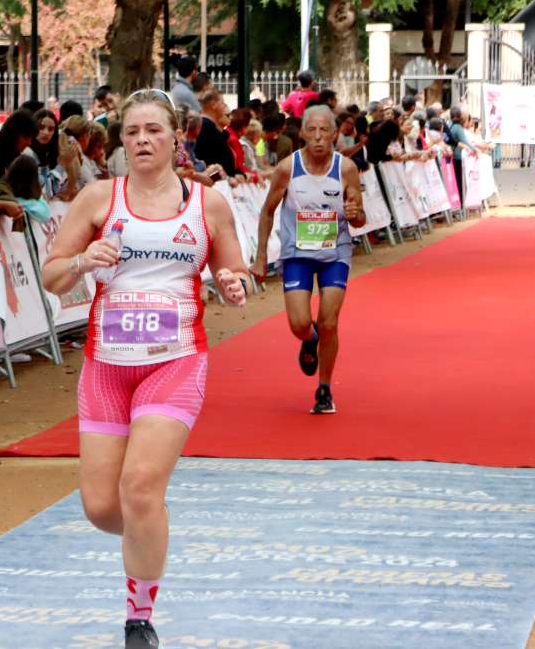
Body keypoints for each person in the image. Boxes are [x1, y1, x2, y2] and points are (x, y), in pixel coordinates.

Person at [40, 89, 250, 649]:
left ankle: (139, 618)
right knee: (102, 506)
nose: (141, 141)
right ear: (120, 141)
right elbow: (52, 274)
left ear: (175, 137)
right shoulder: (97, 199)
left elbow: (238, 277)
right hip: (107, 366)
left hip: (175, 361)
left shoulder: (206, 205)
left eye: (153, 130)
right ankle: (149, 521)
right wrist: (83, 261)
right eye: (132, 132)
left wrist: (233, 284)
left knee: (138, 485)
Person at [251, 105, 365, 415]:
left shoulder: (346, 169)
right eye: (311, 131)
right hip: (298, 253)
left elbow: (359, 217)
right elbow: (267, 211)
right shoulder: (288, 167)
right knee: (300, 324)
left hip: (335, 253)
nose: (317, 138)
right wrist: (261, 256)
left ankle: (324, 389)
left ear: (334, 134)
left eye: (324, 131)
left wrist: (355, 215)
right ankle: (309, 339)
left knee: (330, 321)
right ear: (302, 133)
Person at [194, 88, 237, 178]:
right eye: (222, 103)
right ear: (213, 105)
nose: (224, 107)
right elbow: (209, 159)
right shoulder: (205, 127)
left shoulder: (210, 127)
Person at [0, 109, 38, 178]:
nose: (29, 143)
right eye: (26, 137)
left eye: (31, 138)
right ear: (13, 134)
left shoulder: (22, 160)